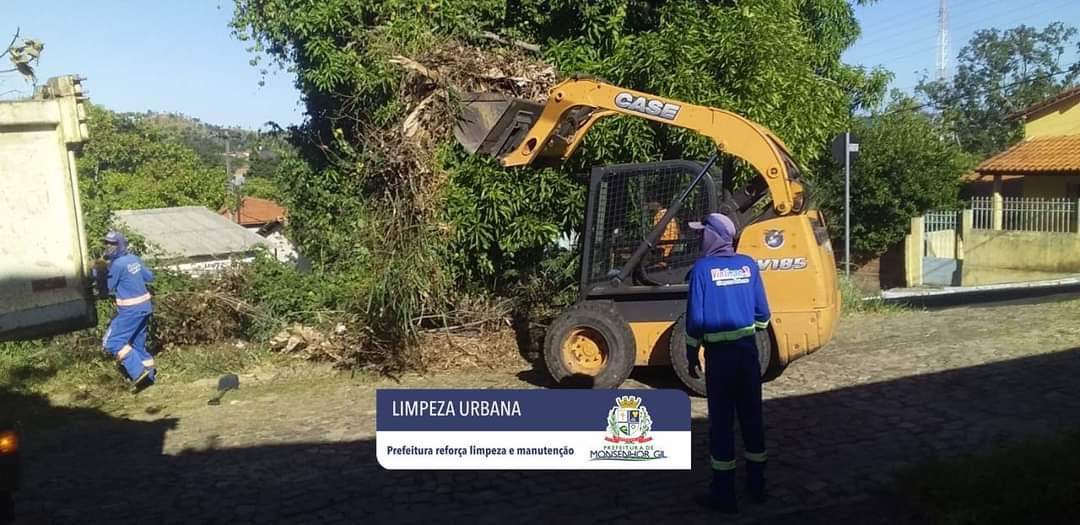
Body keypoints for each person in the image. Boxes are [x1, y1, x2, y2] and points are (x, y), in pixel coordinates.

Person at [684, 213, 771, 513]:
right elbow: (763, 315)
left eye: (703, 232)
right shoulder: (749, 265)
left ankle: (724, 494)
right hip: (747, 356)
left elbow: (696, 320)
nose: (701, 237)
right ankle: (757, 485)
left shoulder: (702, 269)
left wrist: (691, 352)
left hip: (720, 359)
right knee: (752, 419)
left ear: (714, 236)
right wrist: (746, 331)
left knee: (721, 425)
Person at [95, 231, 157, 392]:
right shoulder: (134, 259)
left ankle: (138, 373)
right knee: (138, 345)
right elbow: (150, 277)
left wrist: (98, 272)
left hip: (130, 311)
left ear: (120, 245)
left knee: (111, 343)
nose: (108, 247)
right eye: (106, 243)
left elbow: (105, 291)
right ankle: (149, 378)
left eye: (112, 244)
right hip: (145, 308)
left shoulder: (117, 265)